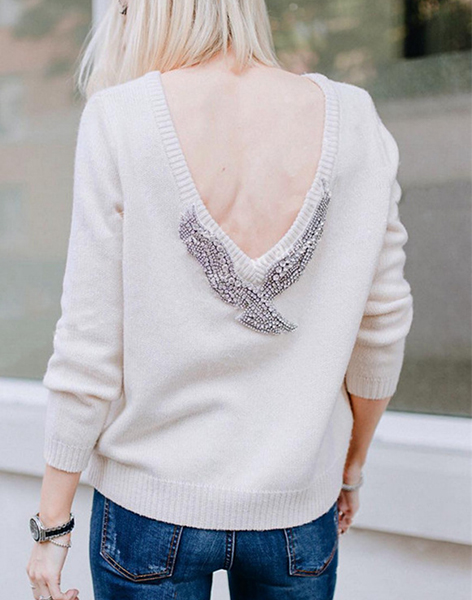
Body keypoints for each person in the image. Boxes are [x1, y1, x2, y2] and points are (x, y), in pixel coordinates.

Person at [26, 1, 414, 599]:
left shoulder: (120, 119)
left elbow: (88, 345)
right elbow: (382, 327)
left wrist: (52, 527)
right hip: (297, 512)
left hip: (147, 511)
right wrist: (350, 466)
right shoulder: (355, 119)